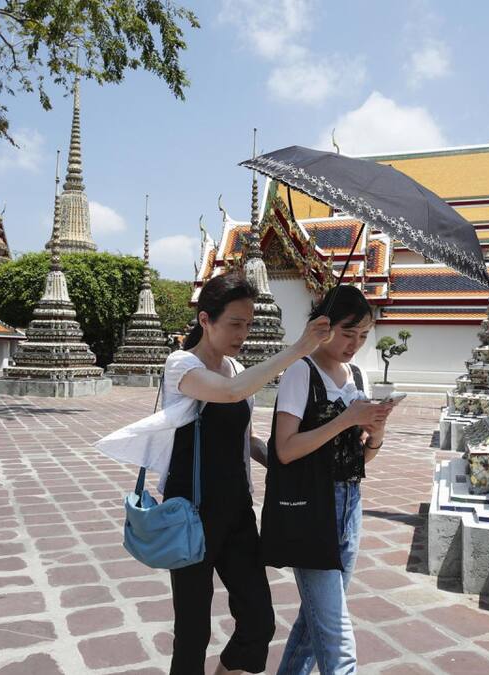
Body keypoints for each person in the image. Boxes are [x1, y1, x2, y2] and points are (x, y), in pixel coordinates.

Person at [156, 272, 333, 675]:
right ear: (205, 320)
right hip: (191, 512)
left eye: (249, 324)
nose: (243, 332)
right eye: (235, 323)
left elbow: (246, 442)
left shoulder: (237, 366)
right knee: (193, 630)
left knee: (259, 619)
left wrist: (291, 464)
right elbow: (230, 393)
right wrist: (300, 348)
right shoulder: (180, 366)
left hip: (236, 511)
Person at [265, 285, 399, 675]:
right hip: (312, 509)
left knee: (316, 621)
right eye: (347, 333)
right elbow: (285, 450)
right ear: (323, 326)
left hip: (349, 505)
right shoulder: (300, 373)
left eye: (363, 335)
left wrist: (376, 432)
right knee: (337, 635)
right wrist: (345, 419)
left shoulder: (357, 376)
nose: (354, 344)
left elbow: (362, 458)